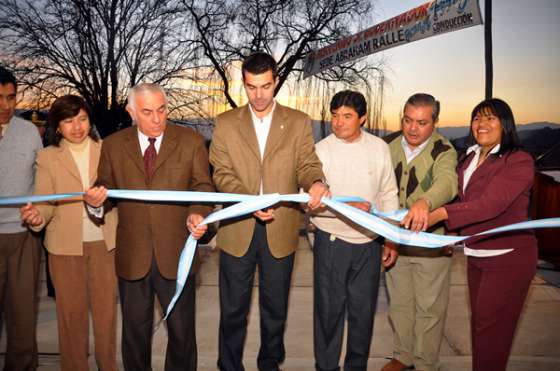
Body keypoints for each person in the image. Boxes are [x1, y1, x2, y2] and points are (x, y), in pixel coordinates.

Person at [209, 51, 329, 371]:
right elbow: (221, 172)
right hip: (238, 229)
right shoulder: (225, 123)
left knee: (275, 308)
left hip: (281, 228)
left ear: (276, 82)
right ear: (243, 85)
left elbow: (307, 164)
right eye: (251, 87)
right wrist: (251, 202)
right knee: (233, 308)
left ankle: (269, 362)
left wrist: (316, 182)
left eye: (265, 86)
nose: (258, 95)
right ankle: (229, 365)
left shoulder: (298, 122)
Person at [85, 83, 214, 371]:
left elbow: (202, 186)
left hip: (177, 254)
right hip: (133, 256)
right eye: (147, 112)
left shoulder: (191, 141)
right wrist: (95, 200)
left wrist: (197, 213)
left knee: (182, 336)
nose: (157, 119)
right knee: (134, 337)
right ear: (131, 112)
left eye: (162, 109)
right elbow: (105, 187)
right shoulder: (114, 145)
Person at [428, 98, 537, 371]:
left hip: (508, 259)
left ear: (505, 124)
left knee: (492, 328)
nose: (482, 124)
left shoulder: (519, 161)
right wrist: (449, 235)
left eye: (490, 118)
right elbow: (462, 199)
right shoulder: (469, 157)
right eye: (477, 118)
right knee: (482, 326)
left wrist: (442, 215)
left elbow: (489, 204)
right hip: (476, 255)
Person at [20, 95, 119, 371]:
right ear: (57, 126)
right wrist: (37, 216)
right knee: (71, 319)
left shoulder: (107, 149)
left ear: (90, 120)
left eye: (82, 119)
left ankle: (108, 366)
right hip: (64, 250)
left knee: (106, 317)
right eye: (68, 121)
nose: (77, 127)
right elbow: (45, 202)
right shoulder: (48, 157)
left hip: (105, 245)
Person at [310, 90, 399, 371]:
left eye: (347, 116)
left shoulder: (379, 148)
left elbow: (388, 195)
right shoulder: (321, 150)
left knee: (362, 314)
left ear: (362, 118)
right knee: (328, 314)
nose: (338, 123)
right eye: (335, 116)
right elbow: (309, 203)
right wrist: (344, 205)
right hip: (331, 242)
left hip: (369, 244)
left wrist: (391, 239)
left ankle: (355, 367)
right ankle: (326, 367)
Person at [382, 93, 458, 371]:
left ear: (435, 123)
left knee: (430, 309)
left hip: (431, 244)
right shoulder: (386, 144)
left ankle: (426, 363)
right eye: (408, 120)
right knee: (399, 304)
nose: (413, 129)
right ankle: (403, 355)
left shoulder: (444, 150)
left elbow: (448, 183)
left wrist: (425, 202)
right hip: (394, 241)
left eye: (422, 122)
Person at [0, 66, 43, 371]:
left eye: (11, 97)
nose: (6, 105)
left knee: (22, 319)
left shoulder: (29, 132)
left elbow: (41, 180)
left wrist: (38, 212)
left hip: (22, 237)